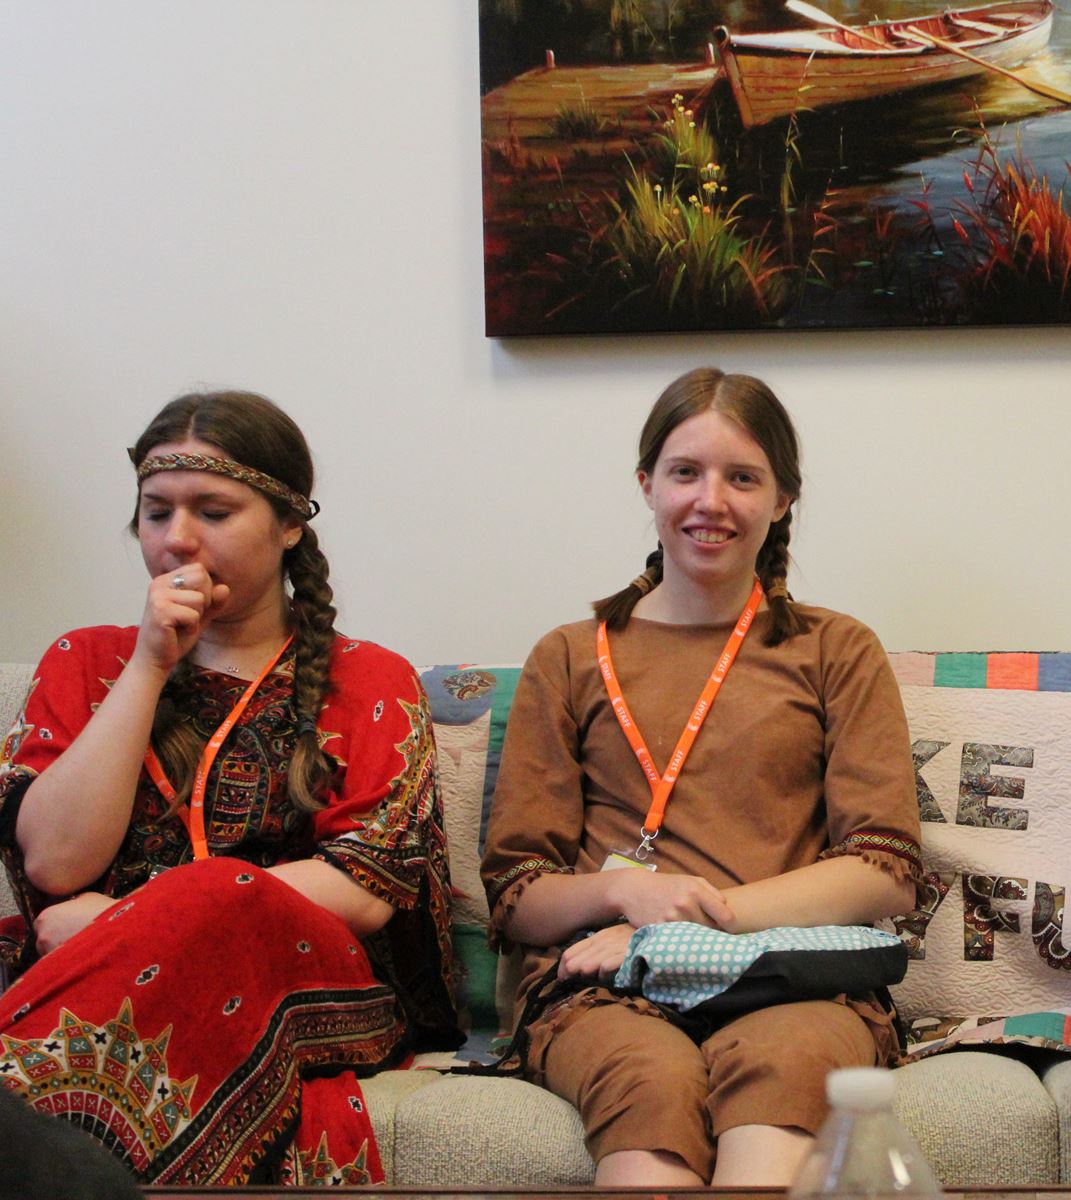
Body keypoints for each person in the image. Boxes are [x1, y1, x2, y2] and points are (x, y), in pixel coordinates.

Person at [0, 391, 460, 1186]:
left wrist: (135, 924)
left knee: (219, 889)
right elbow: (53, 863)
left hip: (312, 986)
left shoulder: (369, 677)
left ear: (289, 525)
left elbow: (365, 886)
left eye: (212, 512)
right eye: (156, 512)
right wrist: (148, 665)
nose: (177, 538)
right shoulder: (86, 660)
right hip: (92, 978)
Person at [480, 367, 922, 1188]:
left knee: (784, 1070)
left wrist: (692, 924)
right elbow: (517, 895)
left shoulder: (837, 649)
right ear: (647, 484)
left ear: (783, 499)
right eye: (685, 472)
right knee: (648, 1083)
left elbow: (885, 870)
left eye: (742, 478)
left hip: (791, 980)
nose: (710, 501)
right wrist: (623, 896)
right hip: (607, 985)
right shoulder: (568, 656)